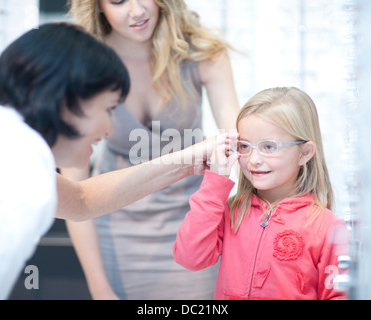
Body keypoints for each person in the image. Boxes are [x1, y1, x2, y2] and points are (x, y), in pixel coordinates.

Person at [0, 22, 231, 300]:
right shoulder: (23, 171)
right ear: (68, 98)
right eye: (109, 108)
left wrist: (190, 158)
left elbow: (80, 200)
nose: (111, 129)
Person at [63, 0, 240, 300]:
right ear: (97, 6)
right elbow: (75, 190)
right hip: (116, 227)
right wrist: (99, 286)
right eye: (118, 1)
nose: (137, 11)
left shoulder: (203, 52)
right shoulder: (81, 67)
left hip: (195, 226)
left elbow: (237, 142)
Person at [174, 87, 350, 300]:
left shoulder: (327, 226)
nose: (253, 159)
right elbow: (190, 257)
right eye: (245, 146)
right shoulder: (231, 213)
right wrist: (215, 182)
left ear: (304, 153)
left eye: (268, 146)